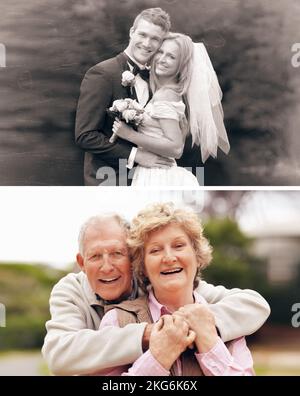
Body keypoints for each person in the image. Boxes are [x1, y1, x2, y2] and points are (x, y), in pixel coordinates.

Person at [42, 211, 270, 375]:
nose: (107, 266)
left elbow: (253, 305)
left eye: (117, 253)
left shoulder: (164, 282)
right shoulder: (71, 290)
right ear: (82, 262)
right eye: (95, 256)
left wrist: (203, 327)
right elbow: (58, 355)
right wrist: (150, 334)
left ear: (133, 258)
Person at [99, 203, 257, 375]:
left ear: (197, 256)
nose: (169, 257)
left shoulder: (227, 322)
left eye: (178, 246)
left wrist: (210, 342)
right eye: (155, 250)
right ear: (142, 265)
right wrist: (158, 358)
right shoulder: (116, 321)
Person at [112, 33, 230, 186]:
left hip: (158, 174)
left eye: (171, 57)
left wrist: (129, 134)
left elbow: (175, 148)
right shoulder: (172, 92)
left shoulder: (166, 95)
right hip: (153, 169)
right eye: (160, 52)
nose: (162, 59)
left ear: (181, 64)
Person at [75, 8, 174, 186]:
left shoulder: (158, 79)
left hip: (150, 179)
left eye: (155, 39)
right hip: (110, 180)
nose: (147, 43)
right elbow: (85, 136)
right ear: (132, 32)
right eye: (143, 34)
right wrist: (136, 156)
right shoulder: (102, 74)